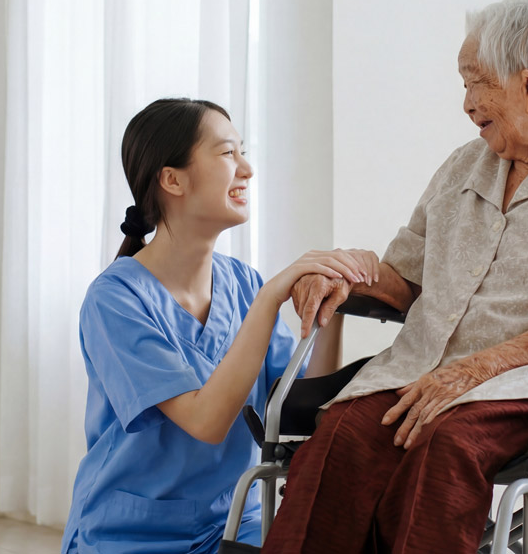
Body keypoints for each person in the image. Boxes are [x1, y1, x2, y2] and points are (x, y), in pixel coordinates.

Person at [248, 0, 528, 554]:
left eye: (476, 82)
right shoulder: (464, 166)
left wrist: (475, 372)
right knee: (338, 435)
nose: (466, 103)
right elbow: (404, 279)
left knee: (444, 448)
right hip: (423, 370)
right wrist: (346, 274)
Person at [60, 98, 378, 554]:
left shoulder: (241, 283)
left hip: (234, 521)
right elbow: (204, 421)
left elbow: (302, 404)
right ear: (172, 179)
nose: (246, 168)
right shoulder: (115, 299)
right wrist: (271, 298)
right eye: (228, 153)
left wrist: (331, 303)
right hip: (131, 532)